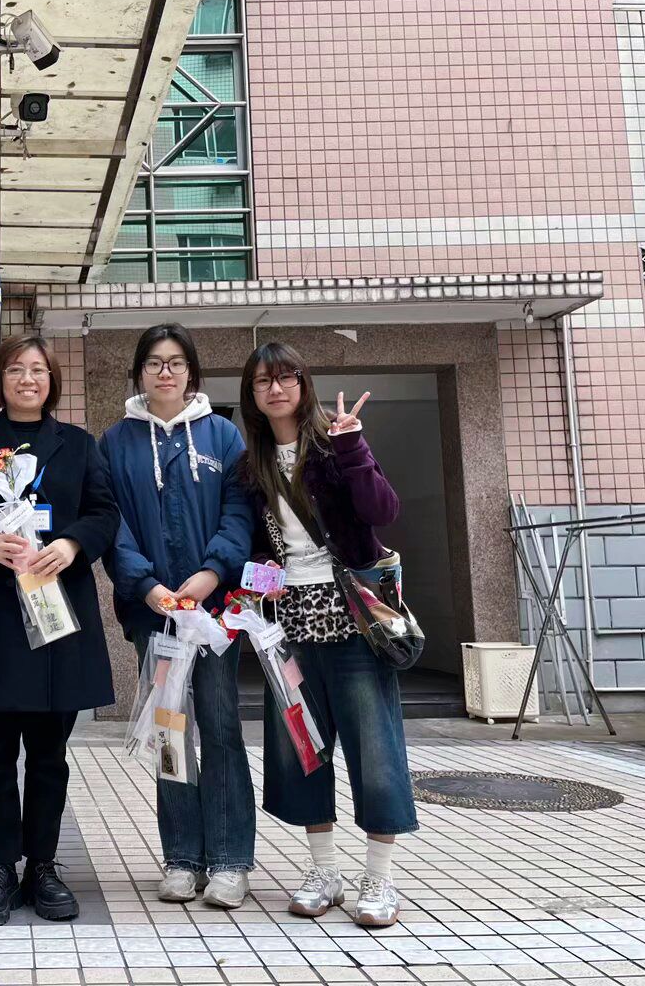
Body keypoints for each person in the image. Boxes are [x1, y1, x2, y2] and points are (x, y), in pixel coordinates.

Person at [0, 335, 120, 927]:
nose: (27, 379)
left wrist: (72, 544)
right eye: (16, 369)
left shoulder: (78, 444)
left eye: (38, 369)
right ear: (0, 379)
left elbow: (104, 513)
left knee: (48, 756)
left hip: (56, 616)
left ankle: (43, 865)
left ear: (52, 380)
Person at [237, 341, 417, 929]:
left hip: (354, 621)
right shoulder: (251, 465)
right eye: (263, 381)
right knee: (303, 750)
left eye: (286, 377)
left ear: (303, 383)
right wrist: (260, 584)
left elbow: (383, 511)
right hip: (291, 625)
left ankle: (380, 879)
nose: (276, 389)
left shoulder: (335, 444)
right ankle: (324, 872)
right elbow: (258, 545)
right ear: (252, 395)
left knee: (375, 749)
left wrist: (354, 446)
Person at [100, 323, 257, 909]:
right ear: (139, 372)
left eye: (176, 362)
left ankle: (231, 860)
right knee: (171, 732)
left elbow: (239, 514)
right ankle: (182, 858)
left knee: (220, 727)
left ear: (191, 371)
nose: (165, 372)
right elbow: (111, 523)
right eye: (154, 362)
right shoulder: (115, 442)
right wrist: (145, 586)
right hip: (156, 616)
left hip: (213, 616)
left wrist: (214, 572)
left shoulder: (222, 435)